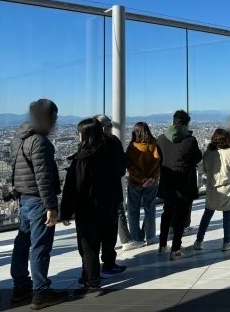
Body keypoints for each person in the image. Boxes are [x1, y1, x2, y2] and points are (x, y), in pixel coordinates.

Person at [9, 99, 69, 309]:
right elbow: (43, 178)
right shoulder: (39, 141)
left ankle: (20, 287)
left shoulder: (19, 138)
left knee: (22, 243)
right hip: (38, 200)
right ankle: (41, 292)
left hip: (24, 198)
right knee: (40, 247)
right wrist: (52, 207)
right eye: (55, 117)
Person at [60, 118, 120, 298]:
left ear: (85, 134)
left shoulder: (84, 157)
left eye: (80, 132)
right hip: (107, 206)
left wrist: (66, 211)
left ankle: (93, 284)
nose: (78, 135)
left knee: (88, 248)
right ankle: (87, 278)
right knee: (96, 244)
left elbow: (74, 187)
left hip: (88, 209)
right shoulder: (108, 151)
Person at [156, 110, 202, 260]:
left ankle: (163, 245)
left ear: (174, 121)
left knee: (167, 212)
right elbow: (197, 157)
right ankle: (176, 249)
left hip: (167, 182)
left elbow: (159, 159)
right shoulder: (190, 140)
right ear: (186, 123)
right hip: (184, 183)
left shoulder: (161, 139)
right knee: (181, 216)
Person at [194, 129, 230, 251]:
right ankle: (227, 241)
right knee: (227, 213)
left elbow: (203, 169)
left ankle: (199, 240)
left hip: (212, 187)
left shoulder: (208, 153)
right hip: (228, 187)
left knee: (207, 213)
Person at [93, 115, 130, 275]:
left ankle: (92, 269)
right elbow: (122, 165)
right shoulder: (113, 142)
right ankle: (108, 262)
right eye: (109, 126)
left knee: (97, 231)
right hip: (112, 191)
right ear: (104, 128)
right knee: (110, 229)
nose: (110, 128)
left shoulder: (88, 143)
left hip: (94, 195)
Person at [126, 122, 161, 245]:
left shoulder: (132, 147)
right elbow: (159, 164)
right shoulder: (154, 145)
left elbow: (130, 166)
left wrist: (142, 179)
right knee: (150, 209)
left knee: (133, 210)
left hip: (135, 182)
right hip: (152, 183)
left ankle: (136, 238)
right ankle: (150, 236)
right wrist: (152, 178)